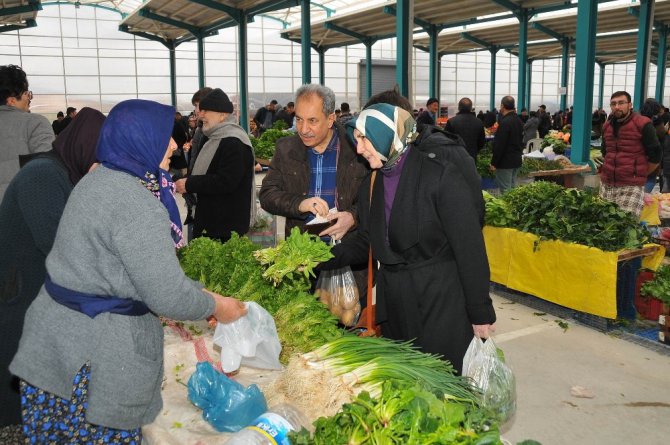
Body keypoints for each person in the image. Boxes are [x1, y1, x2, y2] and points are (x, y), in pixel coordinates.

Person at [10, 99, 247, 444]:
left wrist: (201, 294)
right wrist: (217, 306)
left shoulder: (96, 181)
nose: (173, 146)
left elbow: (137, 272)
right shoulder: (135, 202)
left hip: (55, 343)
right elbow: (165, 293)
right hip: (94, 357)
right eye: (163, 137)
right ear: (137, 141)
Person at [321, 103, 496, 374]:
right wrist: (319, 257)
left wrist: (480, 312)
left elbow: (470, 248)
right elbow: (369, 240)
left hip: (440, 300)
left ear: (387, 136)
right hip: (396, 302)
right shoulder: (374, 182)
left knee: (444, 385)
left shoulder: (440, 175)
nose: (359, 149)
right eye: (356, 141)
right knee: (405, 384)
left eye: (364, 139)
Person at [0, 107, 105, 439]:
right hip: (20, 286)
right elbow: (61, 245)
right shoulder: (42, 176)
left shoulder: (63, 173)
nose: (100, 168)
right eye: (98, 158)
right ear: (83, 147)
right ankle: (14, 427)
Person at [260, 83, 369, 241]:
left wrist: (353, 217)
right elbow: (267, 195)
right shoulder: (285, 149)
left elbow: (374, 198)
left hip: (348, 250)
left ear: (330, 119)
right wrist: (299, 204)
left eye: (312, 121)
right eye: (298, 119)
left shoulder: (357, 150)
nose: (303, 129)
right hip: (301, 252)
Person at [175, 88, 255, 243]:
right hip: (210, 221)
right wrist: (182, 180)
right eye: (200, 110)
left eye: (206, 110)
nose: (200, 114)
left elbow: (226, 181)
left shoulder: (235, 141)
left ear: (222, 115)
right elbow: (207, 171)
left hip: (225, 227)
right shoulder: (211, 137)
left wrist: (190, 183)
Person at [599, 91, 661, 217]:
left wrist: (639, 173)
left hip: (631, 185)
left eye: (621, 103)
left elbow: (656, 154)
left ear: (630, 105)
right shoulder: (607, 126)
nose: (617, 107)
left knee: (625, 225)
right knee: (605, 225)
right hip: (607, 183)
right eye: (613, 104)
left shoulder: (643, 123)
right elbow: (605, 151)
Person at [0, 64, 54, 201]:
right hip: (18, 210)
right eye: (27, 94)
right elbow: (46, 171)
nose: (29, 100)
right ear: (11, 100)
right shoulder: (35, 123)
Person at [490, 96, 523, 192]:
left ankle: (508, 207)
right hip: (516, 159)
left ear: (502, 106)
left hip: (505, 162)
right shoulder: (519, 120)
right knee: (512, 188)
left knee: (506, 190)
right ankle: (513, 207)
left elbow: (500, 145)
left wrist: (494, 162)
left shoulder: (505, 122)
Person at [639, 98, 665, 193]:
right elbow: (661, 136)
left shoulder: (637, 119)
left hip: (637, 160)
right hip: (651, 159)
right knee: (650, 179)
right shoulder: (656, 121)